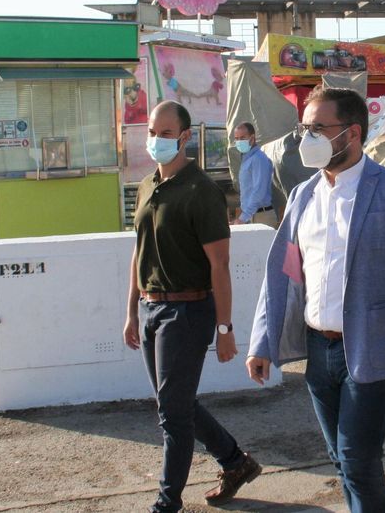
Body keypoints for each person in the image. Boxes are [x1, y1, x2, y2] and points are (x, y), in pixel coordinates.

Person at [246, 87, 385, 513]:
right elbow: (285, 276)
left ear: (352, 134)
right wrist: (263, 341)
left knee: (357, 460)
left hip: (374, 348)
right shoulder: (303, 196)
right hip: (320, 350)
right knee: (341, 459)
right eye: (303, 128)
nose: (305, 138)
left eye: (317, 128)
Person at [124, 101, 260, 513]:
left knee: (172, 414)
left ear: (185, 136)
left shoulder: (202, 191)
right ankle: (236, 462)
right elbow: (139, 252)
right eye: (152, 131)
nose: (156, 139)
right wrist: (131, 310)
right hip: (151, 309)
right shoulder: (148, 185)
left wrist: (224, 328)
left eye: (166, 133)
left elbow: (220, 265)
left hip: (187, 313)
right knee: (176, 404)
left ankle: (167, 504)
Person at [231, 122, 276, 226]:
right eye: (236, 138)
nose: (239, 142)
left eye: (242, 138)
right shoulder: (247, 159)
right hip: (252, 215)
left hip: (261, 216)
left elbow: (259, 191)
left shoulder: (258, 158)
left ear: (252, 138)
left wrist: (243, 218)